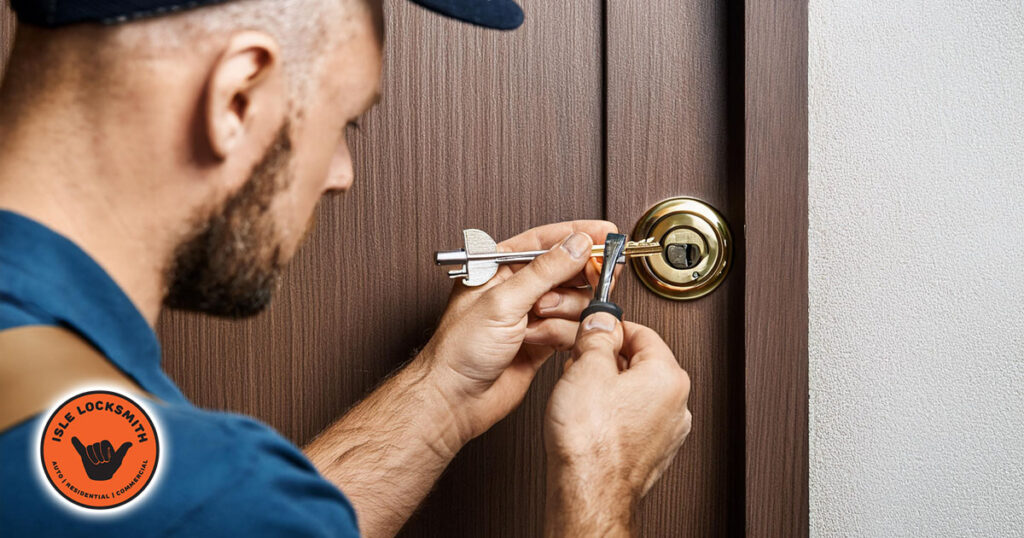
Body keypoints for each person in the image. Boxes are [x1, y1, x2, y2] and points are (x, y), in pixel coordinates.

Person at [0, 0, 692, 536]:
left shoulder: (177, 491)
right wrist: (598, 479)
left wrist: (441, 395)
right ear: (237, 98)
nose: (342, 176)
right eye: (344, 126)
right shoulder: (199, 491)